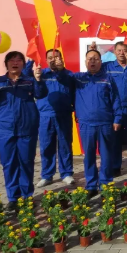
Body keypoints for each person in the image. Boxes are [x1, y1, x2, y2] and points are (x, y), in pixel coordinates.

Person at [0, 51, 47, 210]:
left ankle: (26, 196)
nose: (15, 62)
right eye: (11, 60)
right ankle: (13, 197)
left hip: (27, 128)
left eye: (19, 60)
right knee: (8, 164)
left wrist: (38, 79)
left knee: (26, 162)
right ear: (6, 64)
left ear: (23, 64)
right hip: (4, 129)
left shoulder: (29, 81)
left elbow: (41, 94)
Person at [55, 50, 122, 197]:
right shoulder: (78, 78)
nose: (92, 61)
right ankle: (91, 185)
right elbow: (63, 79)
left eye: (96, 59)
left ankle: (106, 184)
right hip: (86, 124)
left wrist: (117, 119)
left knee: (106, 155)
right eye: (90, 59)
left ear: (100, 62)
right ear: (85, 62)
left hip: (105, 123)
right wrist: (60, 69)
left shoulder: (108, 79)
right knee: (89, 156)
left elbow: (116, 100)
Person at [24, 50, 76, 188]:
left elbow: (68, 83)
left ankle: (66, 173)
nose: (53, 59)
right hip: (45, 115)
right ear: (46, 60)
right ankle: (47, 175)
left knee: (65, 145)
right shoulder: (41, 74)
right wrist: (31, 59)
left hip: (63, 114)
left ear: (61, 58)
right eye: (50, 58)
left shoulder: (68, 74)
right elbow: (24, 75)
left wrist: (61, 69)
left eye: (56, 57)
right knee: (46, 146)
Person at [92, 41, 127, 178]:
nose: (122, 53)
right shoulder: (107, 66)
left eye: (124, 50)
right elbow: (94, 70)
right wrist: (94, 52)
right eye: (119, 50)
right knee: (115, 138)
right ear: (114, 52)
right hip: (114, 109)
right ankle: (115, 166)